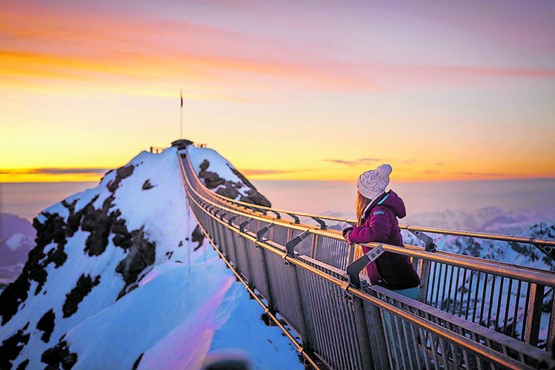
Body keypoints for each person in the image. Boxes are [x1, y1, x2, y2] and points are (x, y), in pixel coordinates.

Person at [343, 164, 420, 298]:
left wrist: (354, 235)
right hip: (392, 282)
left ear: (364, 194)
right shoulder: (376, 210)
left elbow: (377, 233)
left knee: (393, 320)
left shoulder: (380, 211)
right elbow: (370, 228)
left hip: (397, 284)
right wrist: (352, 231)